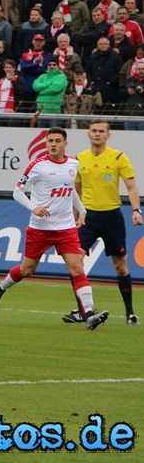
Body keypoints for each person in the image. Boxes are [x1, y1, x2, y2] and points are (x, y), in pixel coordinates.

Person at [0, 127, 109, 331]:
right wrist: (33, 207)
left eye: (57, 140)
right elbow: (17, 192)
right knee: (27, 270)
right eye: (50, 140)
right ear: (46, 143)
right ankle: (0, 288)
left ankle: (88, 314)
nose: (53, 144)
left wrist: (81, 209)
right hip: (40, 228)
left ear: (65, 144)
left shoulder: (73, 163)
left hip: (66, 227)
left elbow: (69, 189)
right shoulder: (37, 166)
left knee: (77, 267)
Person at [62, 120, 142, 326]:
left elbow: (131, 187)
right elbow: (76, 191)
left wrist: (135, 209)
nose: (97, 134)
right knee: (75, 262)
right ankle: (83, 311)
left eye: (101, 131)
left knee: (121, 266)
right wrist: (73, 216)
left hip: (112, 216)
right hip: (87, 217)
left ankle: (130, 313)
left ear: (108, 135)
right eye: (94, 131)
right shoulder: (79, 159)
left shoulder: (118, 157)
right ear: (88, 133)